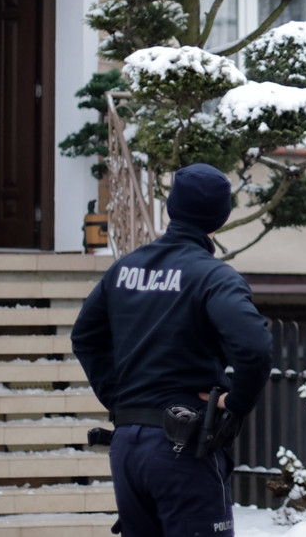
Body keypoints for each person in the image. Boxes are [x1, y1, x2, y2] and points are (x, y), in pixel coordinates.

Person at [71, 163, 272, 537]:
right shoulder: (213, 276)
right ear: (221, 217)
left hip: (127, 448)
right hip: (183, 451)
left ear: (171, 208)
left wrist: (121, 402)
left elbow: (85, 336)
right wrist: (237, 401)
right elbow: (255, 348)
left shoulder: (124, 270)